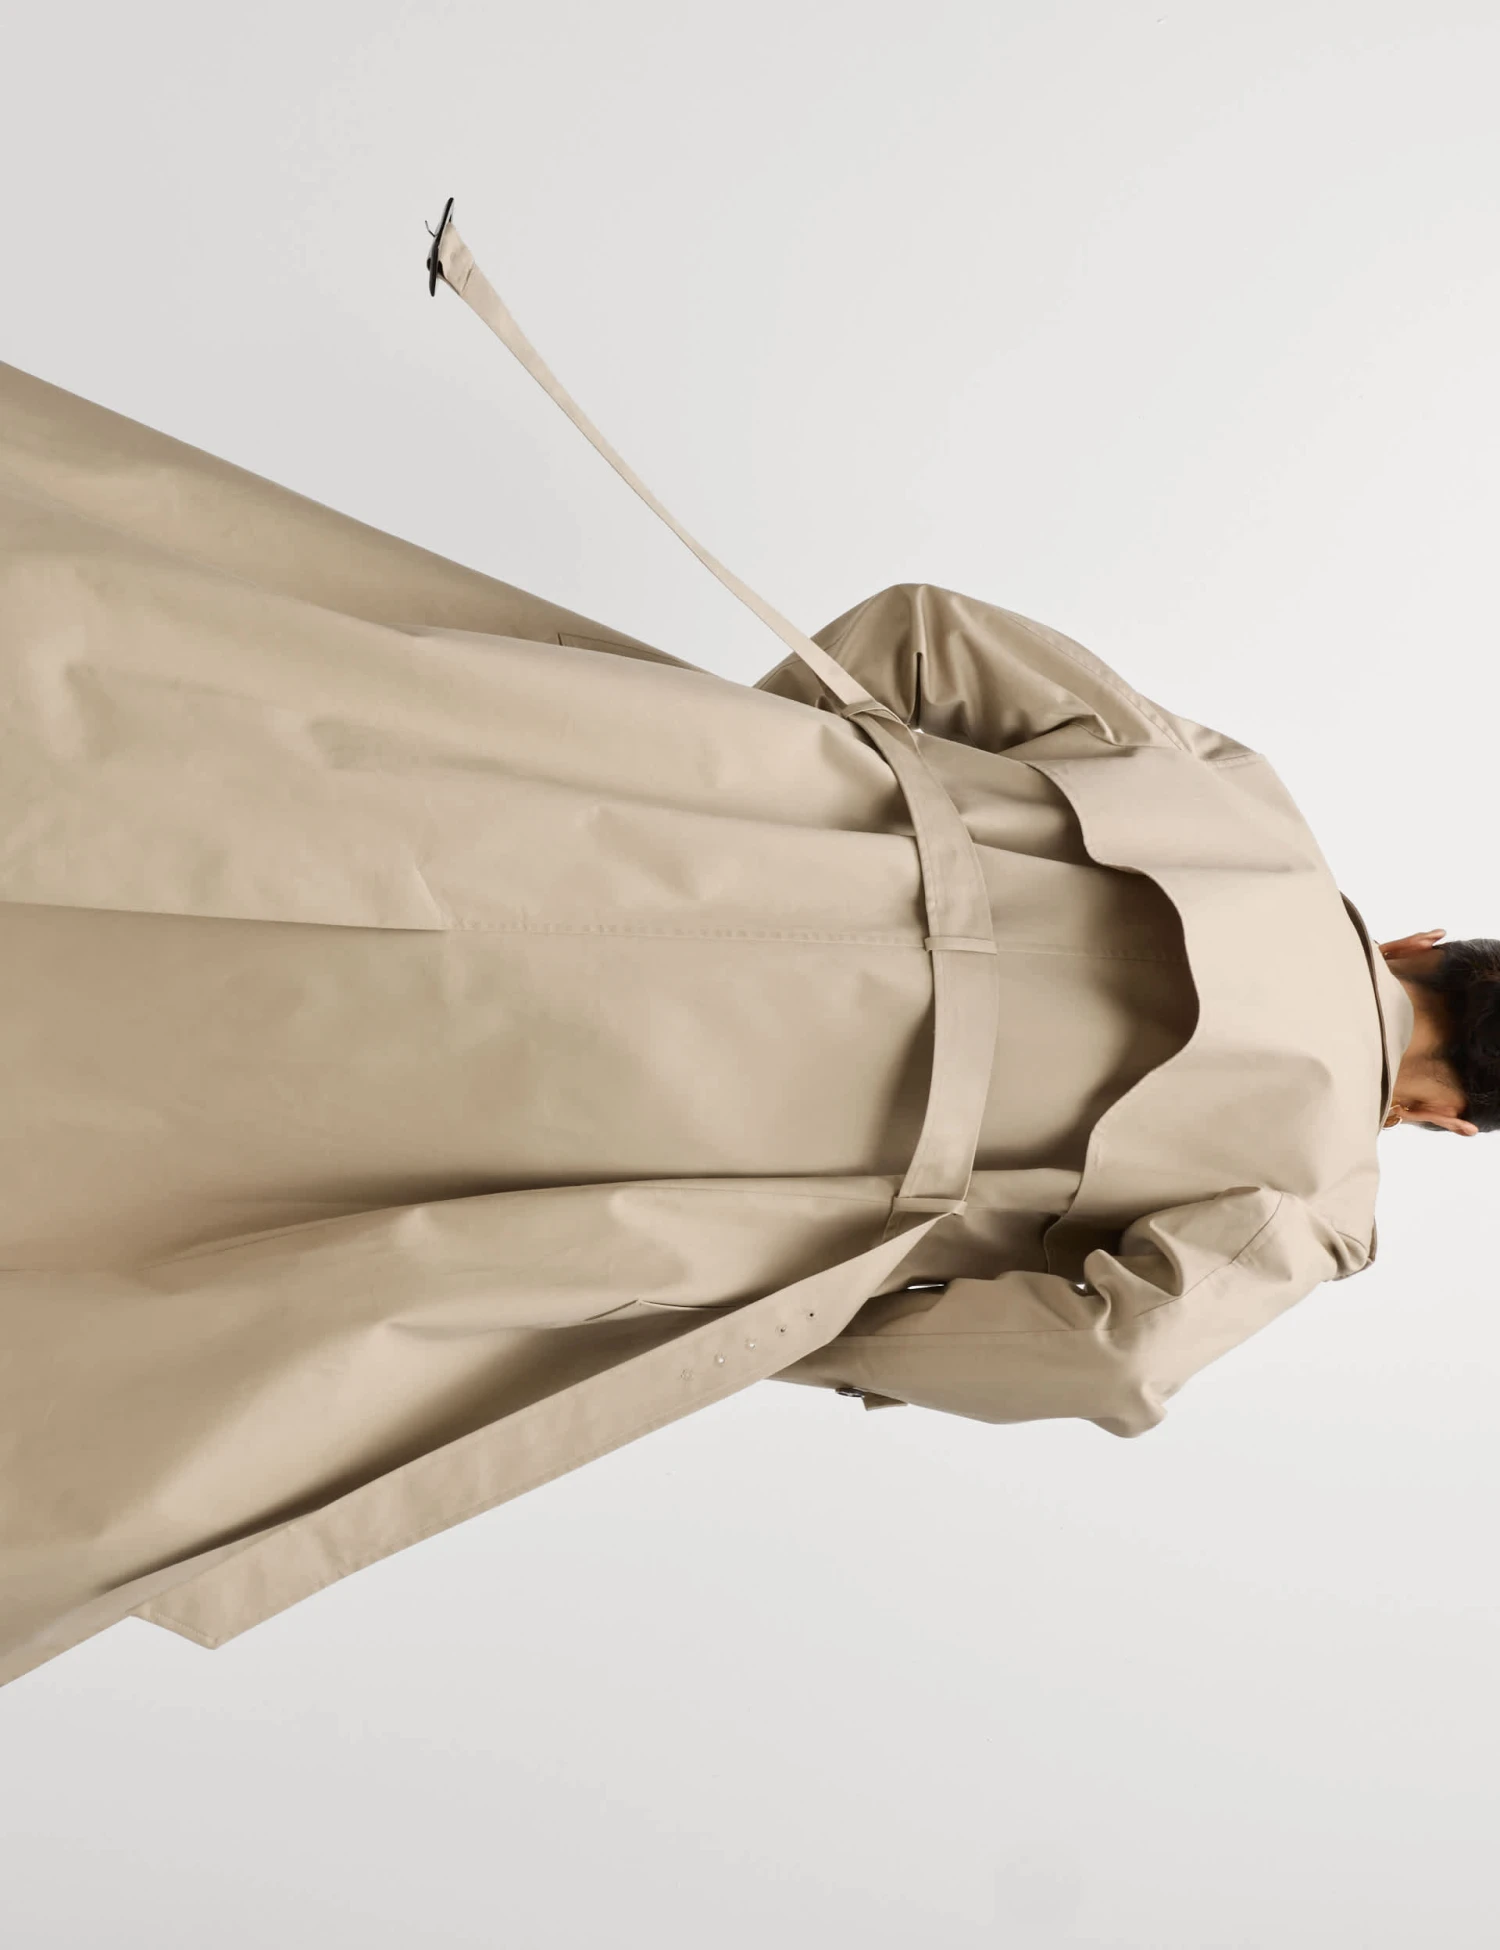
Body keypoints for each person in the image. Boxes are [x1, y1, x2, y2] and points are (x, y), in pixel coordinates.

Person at [0, 208, 1491, 1690]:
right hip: (697, 1154)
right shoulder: (1316, 1207)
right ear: (1447, 1119)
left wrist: (749, 787)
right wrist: (819, 1319)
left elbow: (927, 635)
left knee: (245, 760)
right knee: (255, 1183)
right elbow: (1102, 1355)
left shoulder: (1248, 810)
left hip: (679, 828)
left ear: (1426, 941)